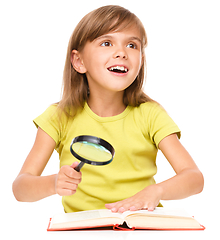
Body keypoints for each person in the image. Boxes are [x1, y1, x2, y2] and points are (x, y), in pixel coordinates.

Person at [12, 5, 204, 213]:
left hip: (142, 226)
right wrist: (53, 183)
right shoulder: (59, 117)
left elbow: (194, 177)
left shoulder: (151, 114)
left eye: (132, 45)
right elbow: (20, 188)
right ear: (79, 61)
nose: (121, 52)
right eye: (106, 43)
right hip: (82, 229)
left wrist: (156, 191)